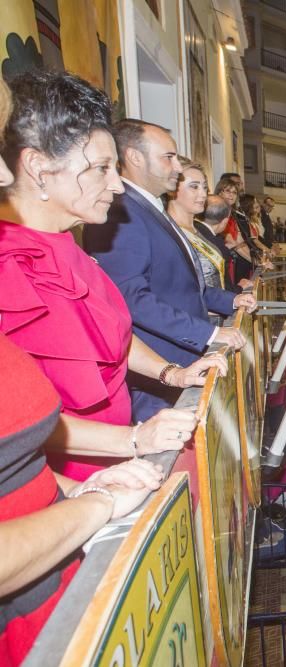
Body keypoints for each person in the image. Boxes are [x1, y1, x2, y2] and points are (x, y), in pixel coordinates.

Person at [0, 71, 224, 480]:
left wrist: (170, 372)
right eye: (101, 168)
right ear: (39, 168)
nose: (117, 187)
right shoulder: (8, 271)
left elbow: (112, 338)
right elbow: (22, 425)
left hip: (117, 464)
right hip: (73, 483)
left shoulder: (70, 245)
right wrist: (134, 440)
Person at [0, 327, 165, 662]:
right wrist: (97, 505)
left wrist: (83, 488)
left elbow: (16, 460)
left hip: (60, 577)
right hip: (20, 630)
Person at [84, 119, 254, 420]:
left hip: (178, 364)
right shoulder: (121, 211)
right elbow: (129, 298)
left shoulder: (149, 209)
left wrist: (229, 302)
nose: (177, 167)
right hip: (156, 371)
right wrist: (209, 332)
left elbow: (187, 286)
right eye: (169, 157)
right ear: (135, 157)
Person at [165, 161, 227, 322]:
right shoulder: (166, 232)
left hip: (216, 320)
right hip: (194, 325)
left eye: (205, 187)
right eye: (194, 187)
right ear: (172, 190)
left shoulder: (198, 229)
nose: (203, 194)